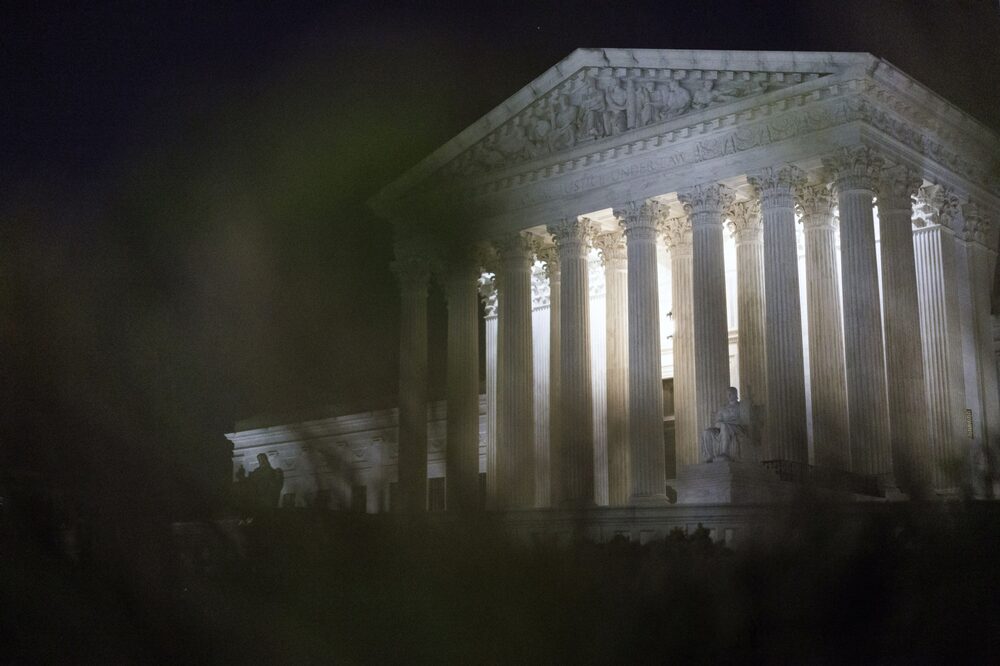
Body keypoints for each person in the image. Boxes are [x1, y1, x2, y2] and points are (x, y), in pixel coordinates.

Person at [700, 387, 755, 462]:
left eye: (731, 394)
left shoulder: (741, 406)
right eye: (727, 394)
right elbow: (717, 421)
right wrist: (719, 424)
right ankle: (710, 456)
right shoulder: (723, 408)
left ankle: (724, 452)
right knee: (706, 432)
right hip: (723, 427)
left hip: (738, 427)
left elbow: (745, 421)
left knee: (724, 426)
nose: (729, 396)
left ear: (735, 394)